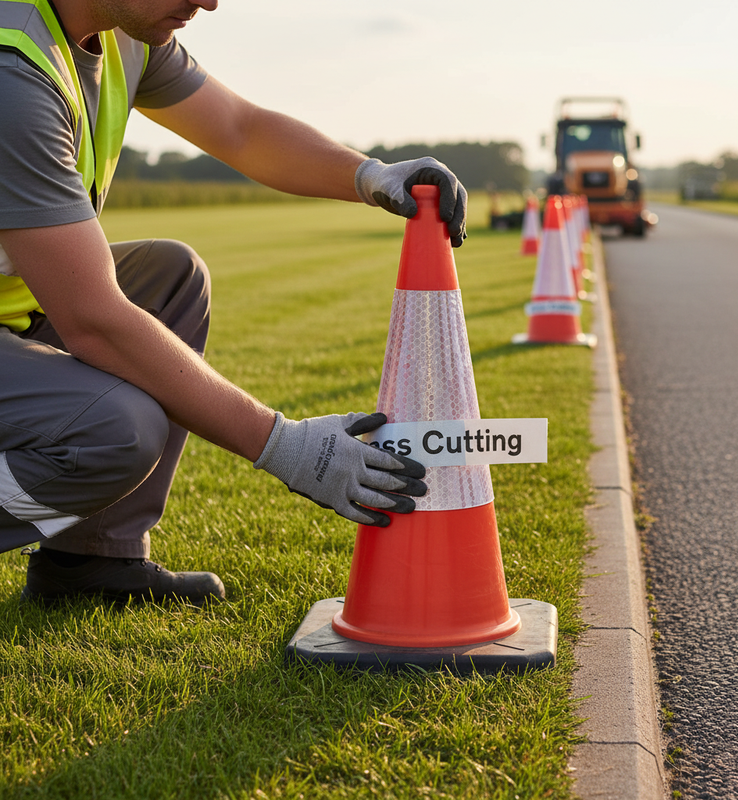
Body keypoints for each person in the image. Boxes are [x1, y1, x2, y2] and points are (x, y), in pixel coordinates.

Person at [0, 0, 468, 605]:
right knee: (115, 432)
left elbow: (241, 130)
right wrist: (285, 446)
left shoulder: (123, 35)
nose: (211, 1)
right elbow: (93, 323)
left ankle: (90, 564)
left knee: (170, 276)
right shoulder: (15, 74)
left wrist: (370, 175)